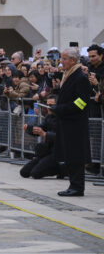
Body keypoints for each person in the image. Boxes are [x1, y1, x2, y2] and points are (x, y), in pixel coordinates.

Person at [53, 47, 91, 197]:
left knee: (76, 156)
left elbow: (82, 102)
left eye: (64, 59)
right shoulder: (68, 75)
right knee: (69, 156)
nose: (61, 62)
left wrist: (60, 109)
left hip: (76, 123)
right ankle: (73, 185)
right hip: (67, 122)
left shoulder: (80, 77)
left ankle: (77, 187)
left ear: (73, 60)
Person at [20, 95, 60, 179]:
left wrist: (45, 134)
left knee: (35, 173)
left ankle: (62, 169)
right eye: (47, 104)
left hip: (58, 152)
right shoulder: (49, 117)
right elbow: (40, 129)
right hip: (47, 151)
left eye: (51, 105)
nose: (48, 107)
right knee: (24, 172)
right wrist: (30, 129)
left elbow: (63, 137)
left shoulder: (63, 118)